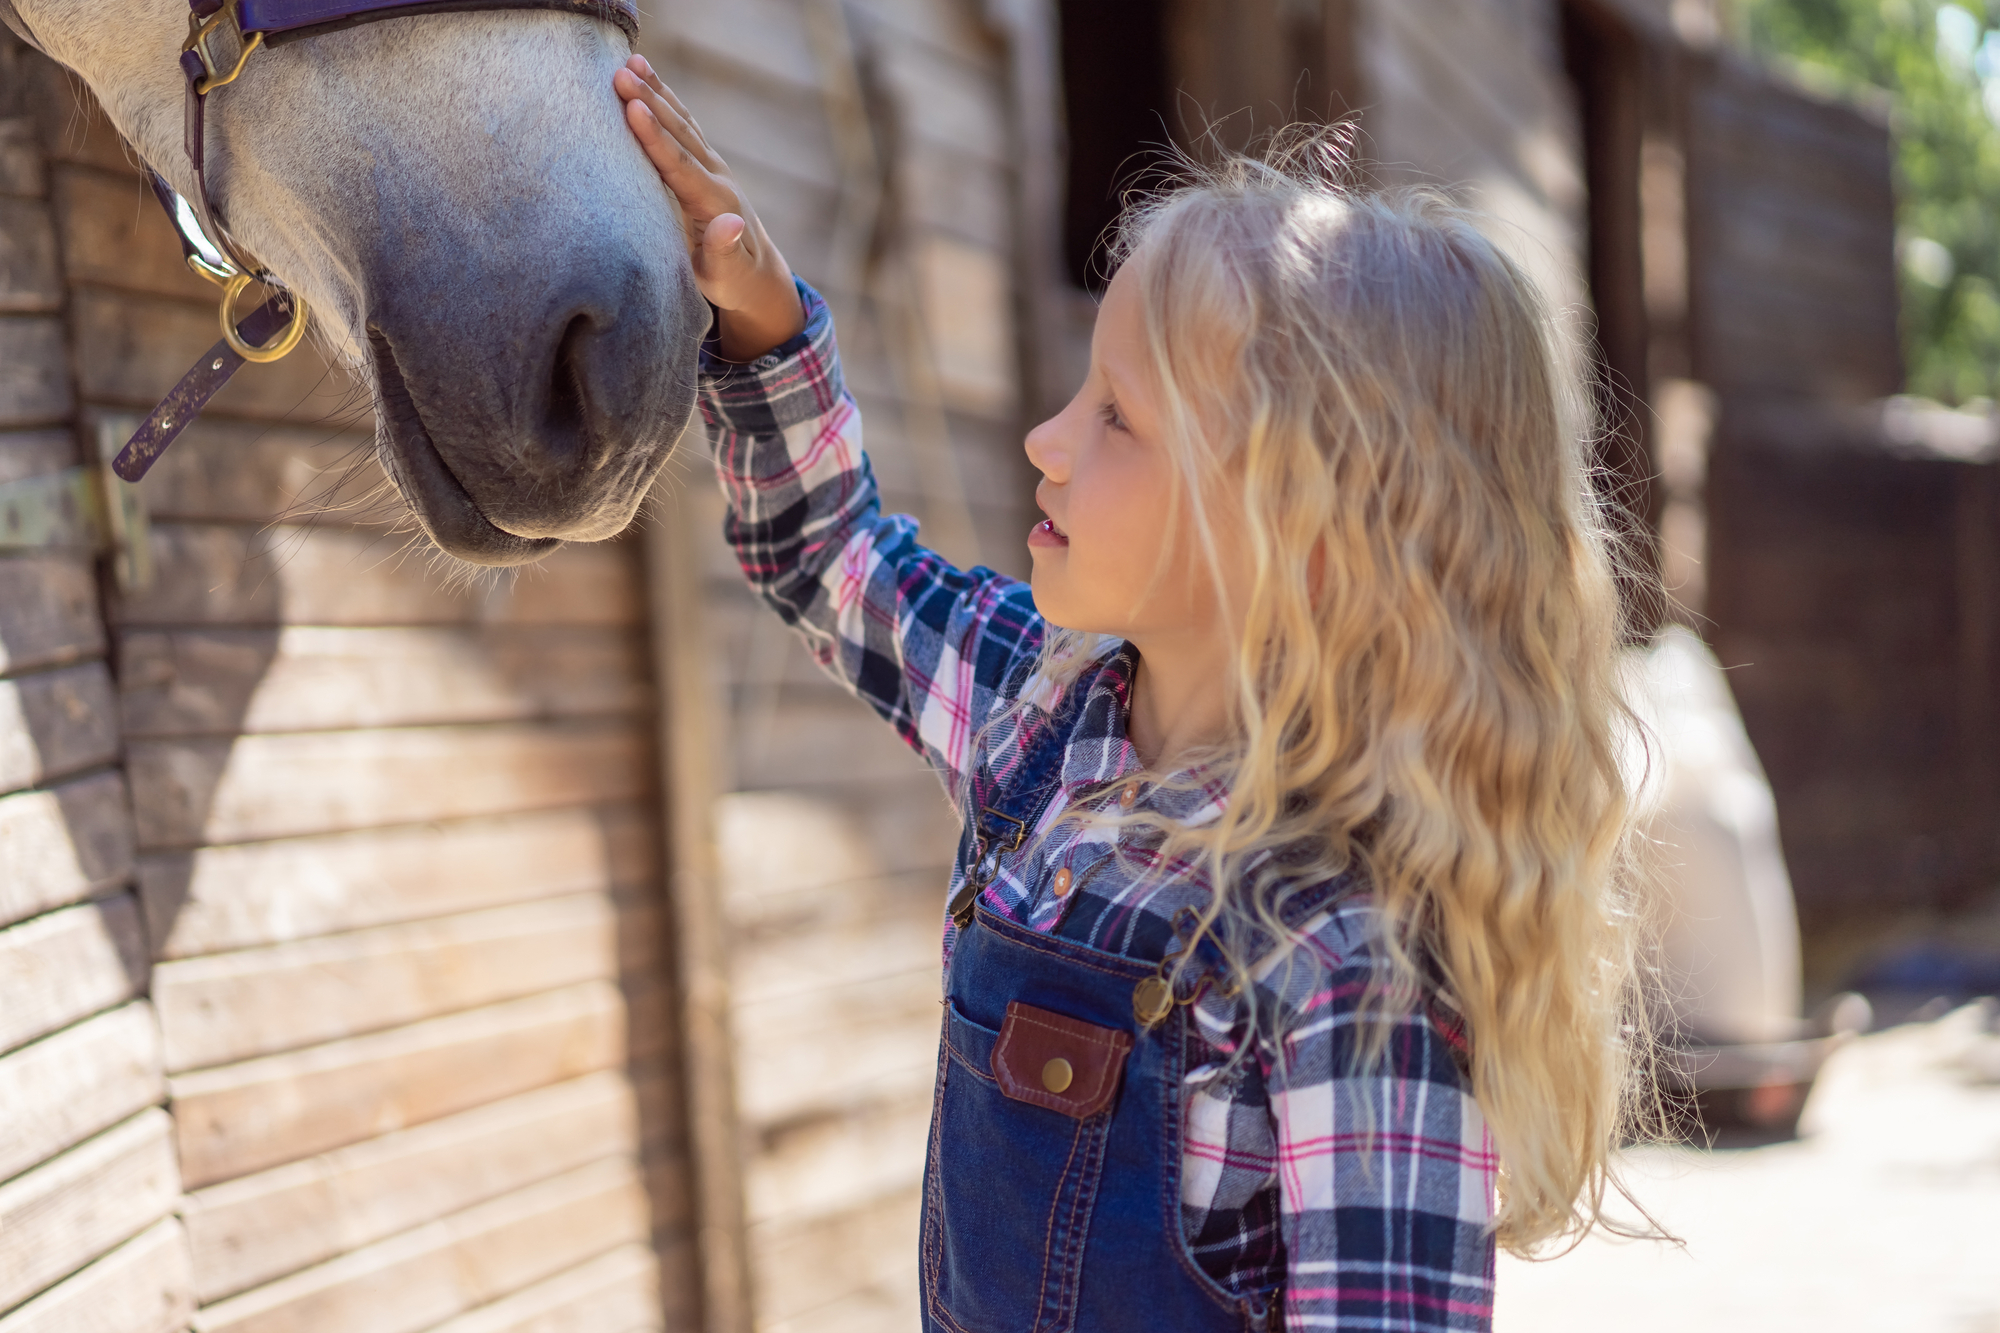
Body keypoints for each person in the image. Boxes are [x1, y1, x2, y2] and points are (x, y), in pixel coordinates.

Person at [613, 52, 1654, 1333]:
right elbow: (831, 562)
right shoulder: (1042, 720)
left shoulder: (1350, 963)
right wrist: (765, 324)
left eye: (1117, 418)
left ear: (1300, 534)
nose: (1049, 438)